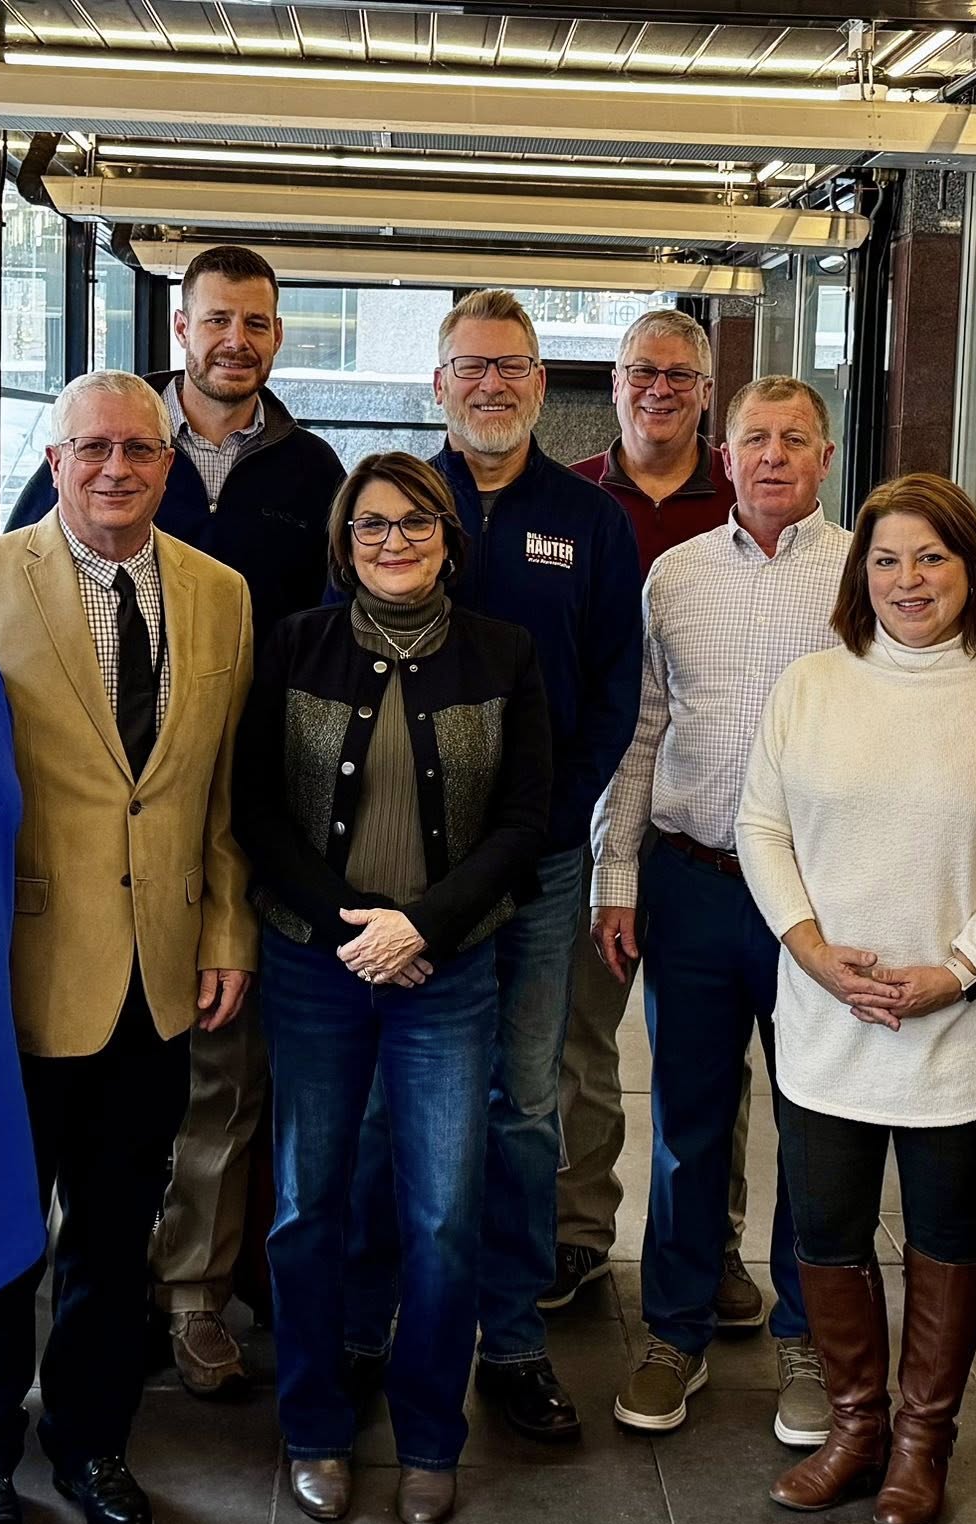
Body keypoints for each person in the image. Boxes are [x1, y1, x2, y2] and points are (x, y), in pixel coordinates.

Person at [15, 246, 344, 1398]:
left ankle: (180, 1312)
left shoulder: (303, 480)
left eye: (256, 321)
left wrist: (243, 896)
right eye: (216, 320)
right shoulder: (45, 508)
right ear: (181, 331)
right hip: (54, 899)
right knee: (45, 1161)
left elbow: (306, 660)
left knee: (204, 1109)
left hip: (212, 854)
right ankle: (17, 1375)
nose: (234, 340)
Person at [0, 370, 258, 1524]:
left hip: (159, 970)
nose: (116, 469)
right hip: (16, 966)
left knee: (116, 1231)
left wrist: (224, 928)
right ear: (53, 461)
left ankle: (90, 1442)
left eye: (138, 448)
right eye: (91, 449)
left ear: (168, 463)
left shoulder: (220, 593)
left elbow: (219, 792)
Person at [735, 474, 976, 1524]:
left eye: (931, 557)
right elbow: (760, 827)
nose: (907, 579)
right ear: (859, 573)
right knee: (826, 1231)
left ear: (971, 569)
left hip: (956, 1024)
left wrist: (961, 969)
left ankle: (923, 1444)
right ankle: (854, 1429)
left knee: (945, 1235)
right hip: (825, 1014)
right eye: (885, 559)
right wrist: (812, 951)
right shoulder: (809, 685)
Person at [343, 288, 642, 1443]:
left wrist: (544, 825)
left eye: (511, 365)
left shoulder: (589, 521)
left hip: (538, 865)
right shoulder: (386, 505)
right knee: (387, 1106)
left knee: (522, 1106)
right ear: (437, 384)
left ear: (541, 383)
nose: (490, 384)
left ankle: (511, 1340)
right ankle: (368, 1326)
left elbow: (613, 690)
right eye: (469, 365)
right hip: (401, 873)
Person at [236, 453, 552, 1524]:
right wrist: (352, 929)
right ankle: (316, 1429)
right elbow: (255, 811)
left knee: (443, 1216)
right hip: (313, 967)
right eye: (371, 525)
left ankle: (428, 1439)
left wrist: (425, 926)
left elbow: (524, 819)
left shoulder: (503, 652)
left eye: (416, 523)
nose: (393, 542)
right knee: (304, 1206)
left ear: (449, 540)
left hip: (446, 969)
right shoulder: (294, 645)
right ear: (343, 543)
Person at [590, 374, 846, 1444]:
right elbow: (643, 730)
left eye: (795, 438)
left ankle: (809, 1339)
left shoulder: (864, 575)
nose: (773, 455)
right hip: (691, 882)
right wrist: (616, 873)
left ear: (824, 458)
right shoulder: (676, 575)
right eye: (755, 439)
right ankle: (674, 1333)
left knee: (815, 1127)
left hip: (820, 898)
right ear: (724, 456)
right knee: (687, 1126)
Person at [552, 309, 759, 1330]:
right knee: (578, 1044)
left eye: (680, 375)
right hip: (590, 811)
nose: (659, 389)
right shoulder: (571, 499)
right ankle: (577, 1230)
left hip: (710, 832)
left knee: (711, 1059)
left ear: (707, 392)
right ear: (616, 381)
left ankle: (713, 1242)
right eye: (642, 371)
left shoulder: (751, 495)